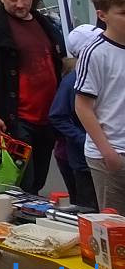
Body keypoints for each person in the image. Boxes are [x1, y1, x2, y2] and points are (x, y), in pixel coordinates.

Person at [0, 0, 64, 195]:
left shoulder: (44, 23)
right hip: (15, 119)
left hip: (47, 117)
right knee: (22, 183)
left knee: (39, 180)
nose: (20, 4)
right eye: (13, 0)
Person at [75, 0, 125, 213]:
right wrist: (107, 151)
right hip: (110, 150)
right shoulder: (94, 52)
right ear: (102, 15)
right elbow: (83, 106)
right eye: (123, 13)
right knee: (115, 225)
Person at [50, 42, 100, 210]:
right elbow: (57, 116)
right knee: (89, 209)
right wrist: (84, 139)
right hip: (82, 160)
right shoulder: (72, 80)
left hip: (105, 155)